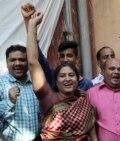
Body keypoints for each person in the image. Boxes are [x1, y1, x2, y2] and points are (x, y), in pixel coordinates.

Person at [26, 10, 97, 140]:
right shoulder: (47, 97)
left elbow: (92, 135)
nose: (67, 79)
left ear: (78, 79)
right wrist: (31, 26)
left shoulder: (84, 103)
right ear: (56, 80)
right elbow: (33, 62)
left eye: (71, 75)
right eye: (62, 76)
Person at [21, 3, 93, 91]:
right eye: (62, 56)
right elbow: (36, 58)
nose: (65, 59)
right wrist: (29, 23)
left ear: (77, 59)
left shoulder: (87, 84)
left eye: (69, 55)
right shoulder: (52, 76)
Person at [0, 45, 40, 141]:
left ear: (28, 62)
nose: (17, 63)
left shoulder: (35, 84)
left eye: (22, 60)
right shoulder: (1, 84)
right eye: (13, 60)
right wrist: (10, 101)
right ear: (6, 62)